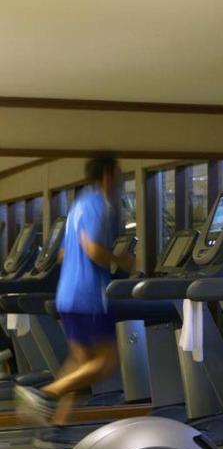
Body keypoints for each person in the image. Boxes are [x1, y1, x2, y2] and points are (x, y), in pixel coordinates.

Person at [16, 154, 135, 426]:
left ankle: (55, 426)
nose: (119, 178)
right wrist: (121, 260)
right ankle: (45, 394)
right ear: (107, 175)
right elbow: (92, 250)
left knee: (81, 366)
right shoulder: (98, 205)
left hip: (68, 295)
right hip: (88, 297)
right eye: (118, 172)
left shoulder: (78, 206)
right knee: (106, 362)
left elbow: (62, 254)